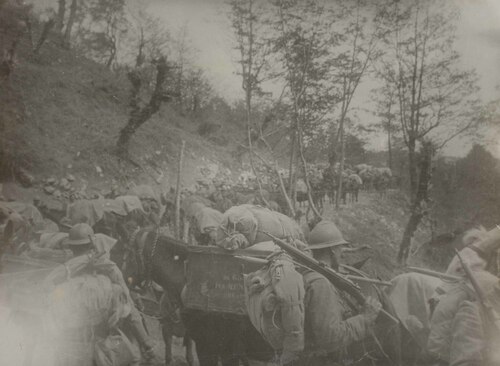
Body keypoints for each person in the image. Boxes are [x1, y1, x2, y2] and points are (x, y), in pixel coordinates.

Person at [51, 223, 155, 364]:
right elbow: (131, 312)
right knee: (133, 358)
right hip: (103, 346)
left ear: (71, 247)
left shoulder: (63, 272)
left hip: (67, 347)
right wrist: (146, 343)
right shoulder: (109, 270)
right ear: (92, 244)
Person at [294, 220, 382, 366]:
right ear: (332, 251)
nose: (342, 254)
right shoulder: (321, 284)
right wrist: (365, 318)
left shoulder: (307, 273)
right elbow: (331, 339)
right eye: (341, 249)